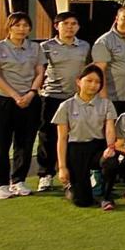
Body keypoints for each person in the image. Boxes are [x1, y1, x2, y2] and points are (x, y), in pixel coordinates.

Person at [0, 11, 47, 199]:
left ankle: (18, 180)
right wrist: (15, 96)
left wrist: (31, 93)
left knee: (25, 143)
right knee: (0, 144)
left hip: (30, 99)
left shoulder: (35, 48)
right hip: (3, 100)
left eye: (25, 25)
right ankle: (0, 185)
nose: (21, 29)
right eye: (17, 25)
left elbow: (40, 72)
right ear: (9, 27)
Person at [36, 10, 92, 191]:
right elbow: (38, 71)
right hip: (51, 97)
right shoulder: (45, 46)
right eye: (65, 23)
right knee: (48, 136)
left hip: (76, 98)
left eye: (73, 24)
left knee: (73, 137)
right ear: (56, 26)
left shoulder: (84, 46)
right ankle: (46, 174)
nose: (70, 27)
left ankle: (71, 173)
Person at [54, 65, 119, 210]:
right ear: (79, 81)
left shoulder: (106, 104)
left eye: (97, 82)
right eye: (89, 81)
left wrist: (110, 148)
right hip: (76, 149)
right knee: (82, 201)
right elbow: (62, 138)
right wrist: (62, 167)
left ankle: (106, 196)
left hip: (97, 147)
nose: (93, 85)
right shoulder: (66, 106)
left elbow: (109, 129)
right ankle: (71, 187)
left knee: (111, 161)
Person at [93, 5, 125, 115]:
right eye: (124, 18)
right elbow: (99, 72)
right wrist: (104, 100)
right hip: (112, 100)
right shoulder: (104, 41)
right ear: (116, 19)